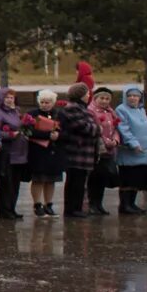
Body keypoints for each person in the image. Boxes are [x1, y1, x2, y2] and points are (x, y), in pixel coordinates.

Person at [54, 83, 100, 220]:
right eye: (86, 93)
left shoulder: (82, 109)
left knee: (79, 182)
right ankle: (72, 209)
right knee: (75, 182)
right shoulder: (73, 109)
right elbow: (86, 128)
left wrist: (95, 128)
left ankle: (76, 208)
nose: (88, 96)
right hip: (76, 152)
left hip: (83, 152)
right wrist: (98, 129)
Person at [24, 89, 63, 217]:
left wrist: (59, 135)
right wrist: (47, 135)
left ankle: (49, 204)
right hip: (38, 151)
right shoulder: (32, 114)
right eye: (42, 102)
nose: (45, 104)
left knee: (51, 180)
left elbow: (66, 131)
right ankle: (37, 204)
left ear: (53, 103)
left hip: (54, 151)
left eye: (48, 102)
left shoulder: (58, 114)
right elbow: (27, 131)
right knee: (38, 179)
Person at [115, 84, 147, 214]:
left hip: (143, 151)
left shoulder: (141, 110)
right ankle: (125, 205)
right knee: (127, 178)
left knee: (137, 178)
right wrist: (133, 143)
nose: (132, 98)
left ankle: (132, 203)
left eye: (135, 96)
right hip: (129, 150)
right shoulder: (121, 109)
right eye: (129, 96)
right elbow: (124, 128)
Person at [0, 89, 27, 220]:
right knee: (6, 183)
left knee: (15, 183)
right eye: (7, 97)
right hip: (6, 152)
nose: (10, 100)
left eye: (12, 97)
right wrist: (10, 134)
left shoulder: (16, 112)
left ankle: (12, 207)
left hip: (19, 152)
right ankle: (4, 209)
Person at [86, 88, 121, 216]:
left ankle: (99, 204)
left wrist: (115, 140)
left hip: (110, 150)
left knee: (102, 178)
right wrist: (106, 141)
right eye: (102, 98)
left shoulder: (111, 112)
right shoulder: (90, 111)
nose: (104, 101)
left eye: (107, 99)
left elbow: (116, 129)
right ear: (95, 98)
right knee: (94, 178)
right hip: (97, 150)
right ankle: (92, 204)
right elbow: (96, 130)